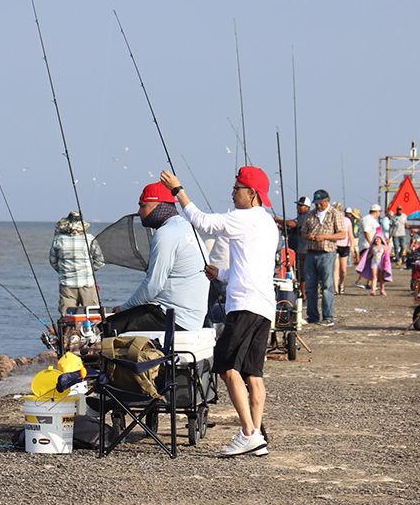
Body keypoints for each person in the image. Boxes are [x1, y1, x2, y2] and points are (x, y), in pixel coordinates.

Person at [159, 166, 278, 458]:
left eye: (237, 188)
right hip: (264, 306)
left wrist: (177, 189)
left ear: (252, 194)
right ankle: (257, 435)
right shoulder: (268, 222)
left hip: (244, 305)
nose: (232, 192)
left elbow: (202, 222)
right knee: (253, 373)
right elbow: (250, 266)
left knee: (226, 367)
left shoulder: (243, 217)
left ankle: (249, 433)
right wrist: (221, 274)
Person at [103, 182, 209, 334]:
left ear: (157, 204)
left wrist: (123, 308)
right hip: (192, 319)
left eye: (142, 205)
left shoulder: (166, 233)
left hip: (173, 318)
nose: (139, 212)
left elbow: (153, 285)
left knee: (106, 328)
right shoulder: (186, 227)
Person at [297, 189, 346, 325]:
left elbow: (342, 234)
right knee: (310, 286)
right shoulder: (310, 215)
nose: (318, 206)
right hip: (311, 252)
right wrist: (310, 236)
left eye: (320, 204)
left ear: (326, 201)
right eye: (316, 204)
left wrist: (325, 237)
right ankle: (312, 316)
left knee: (326, 285)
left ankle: (328, 316)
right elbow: (303, 232)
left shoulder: (335, 214)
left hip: (327, 253)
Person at [49, 211, 105, 315]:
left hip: (67, 285)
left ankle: (69, 331)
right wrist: (89, 271)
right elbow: (100, 261)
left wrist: (65, 271)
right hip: (87, 284)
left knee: (67, 317)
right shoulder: (90, 239)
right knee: (92, 316)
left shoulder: (58, 239)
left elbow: (53, 261)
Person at [356, 229, 393, 295]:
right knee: (374, 276)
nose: (377, 240)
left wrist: (388, 244)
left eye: (378, 239)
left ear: (381, 240)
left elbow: (387, 255)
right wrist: (363, 260)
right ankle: (373, 290)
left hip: (381, 264)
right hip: (374, 263)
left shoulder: (384, 247)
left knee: (381, 278)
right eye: (375, 239)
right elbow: (369, 255)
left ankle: (382, 290)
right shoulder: (373, 247)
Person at [335, 207, 356, 294]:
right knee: (335, 269)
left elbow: (350, 234)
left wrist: (352, 246)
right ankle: (335, 288)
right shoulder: (332, 219)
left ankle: (341, 283)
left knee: (343, 270)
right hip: (335, 245)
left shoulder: (347, 220)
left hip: (345, 246)